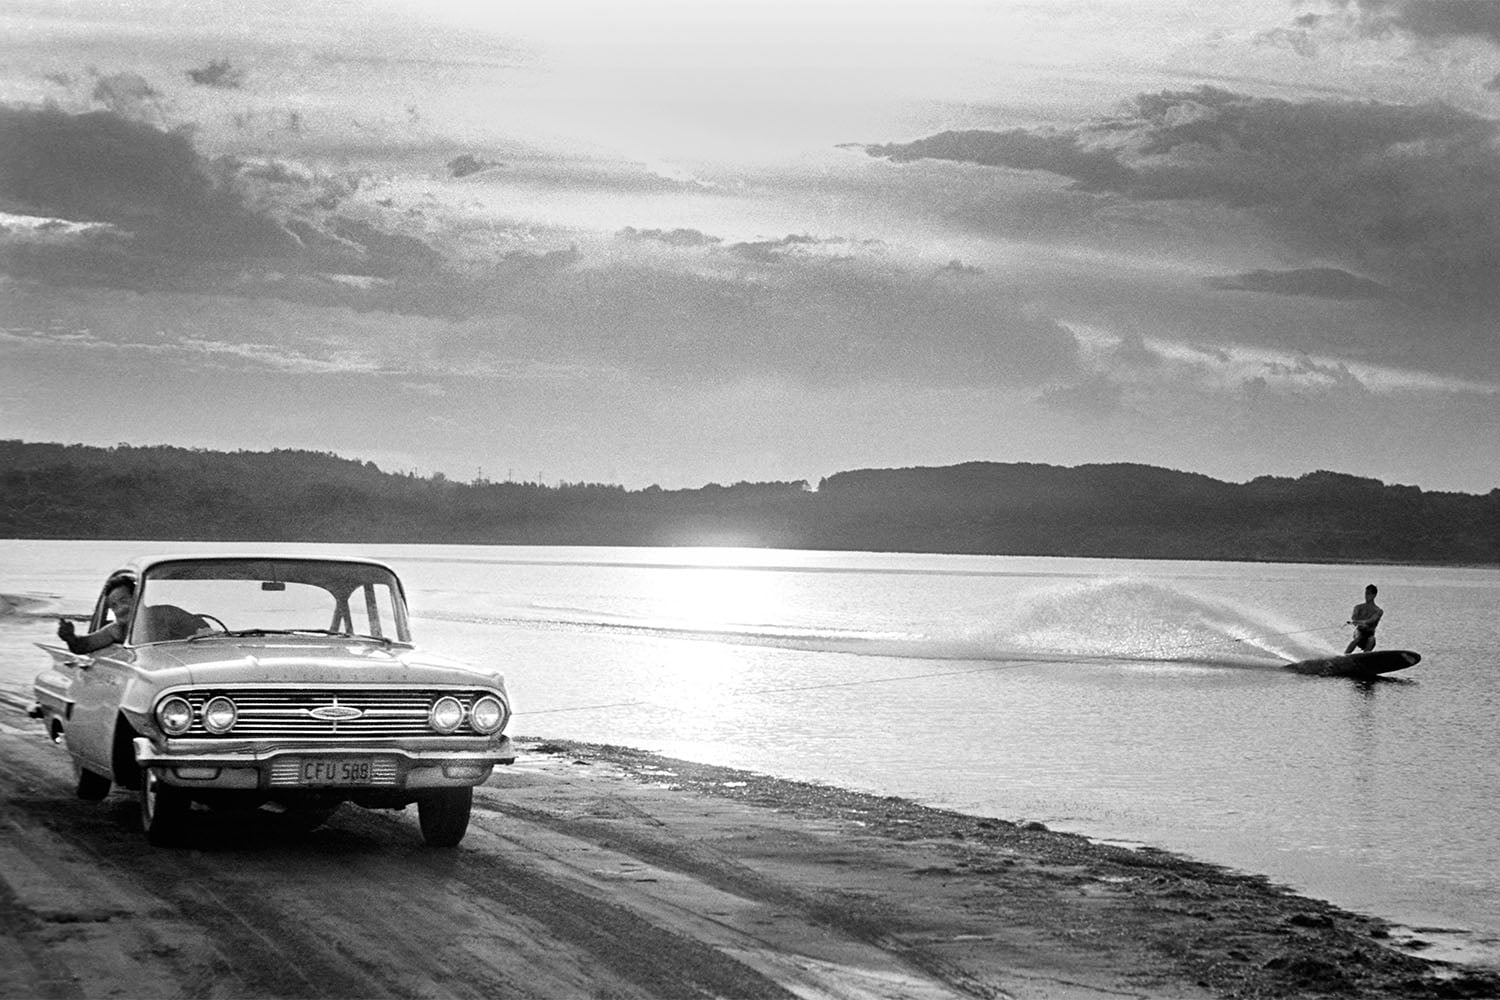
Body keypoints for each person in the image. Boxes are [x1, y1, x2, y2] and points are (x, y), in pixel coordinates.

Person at [57, 579, 135, 654]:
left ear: (136, 599)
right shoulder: (117, 630)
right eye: (114, 606)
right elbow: (83, 645)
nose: (120, 609)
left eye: (124, 601)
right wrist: (70, 637)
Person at [1345, 583, 1383, 655]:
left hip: (1370, 634)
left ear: (1374, 595)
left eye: (1369, 594)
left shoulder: (1378, 611)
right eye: (1366, 593)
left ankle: (1365, 655)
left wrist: (1364, 622)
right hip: (1359, 632)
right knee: (1358, 638)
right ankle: (1345, 655)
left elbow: (1373, 619)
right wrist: (1356, 621)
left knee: (1371, 639)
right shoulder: (1358, 607)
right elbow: (1354, 617)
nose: (1366, 596)